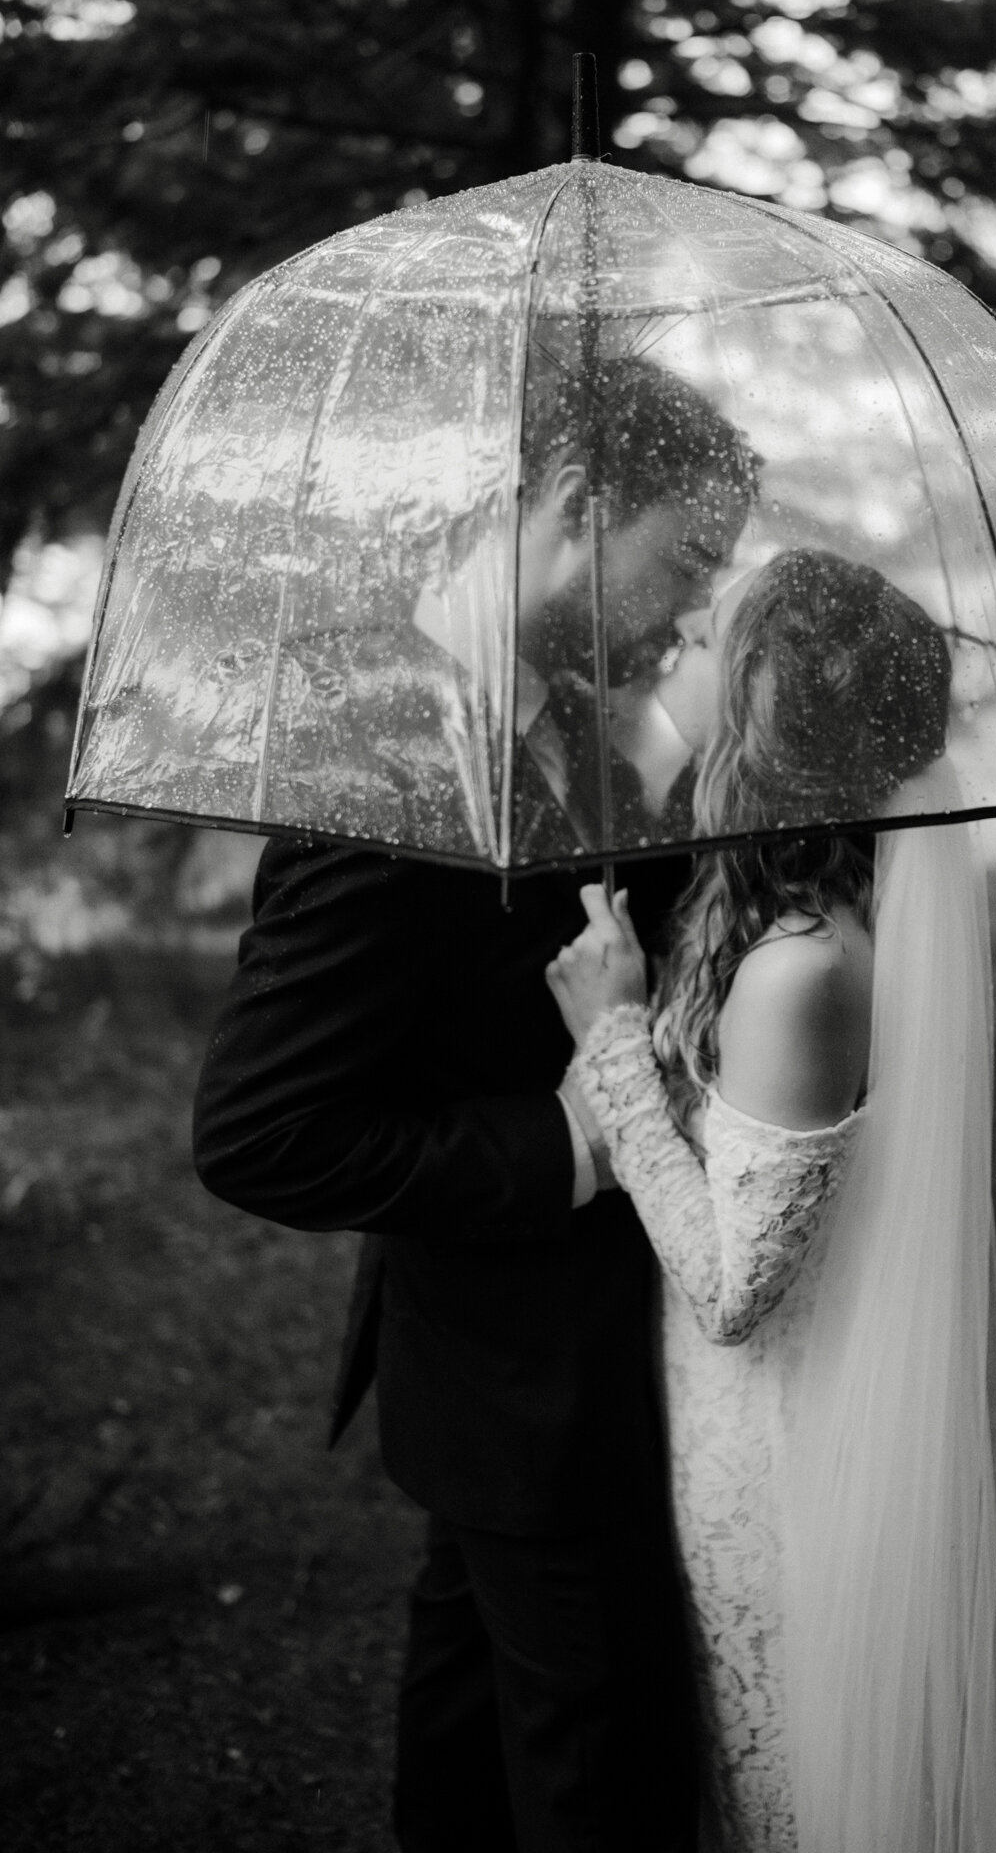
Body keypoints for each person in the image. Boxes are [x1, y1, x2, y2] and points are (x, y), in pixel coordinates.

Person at [192, 357, 756, 1853]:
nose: (697, 608)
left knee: (472, 1747)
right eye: (690, 560)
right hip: (519, 1376)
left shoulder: (569, 704)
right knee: (604, 1776)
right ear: (581, 504)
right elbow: (261, 1131)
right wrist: (571, 1142)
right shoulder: (373, 752)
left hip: (541, 1369)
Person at [548, 547, 996, 1852]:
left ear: (758, 713)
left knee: (791, 1793)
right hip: (741, 1416)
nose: (682, 629)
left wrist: (614, 1042)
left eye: (709, 639)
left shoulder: (801, 970)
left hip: (781, 1447)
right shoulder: (791, 906)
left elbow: (735, 1288)